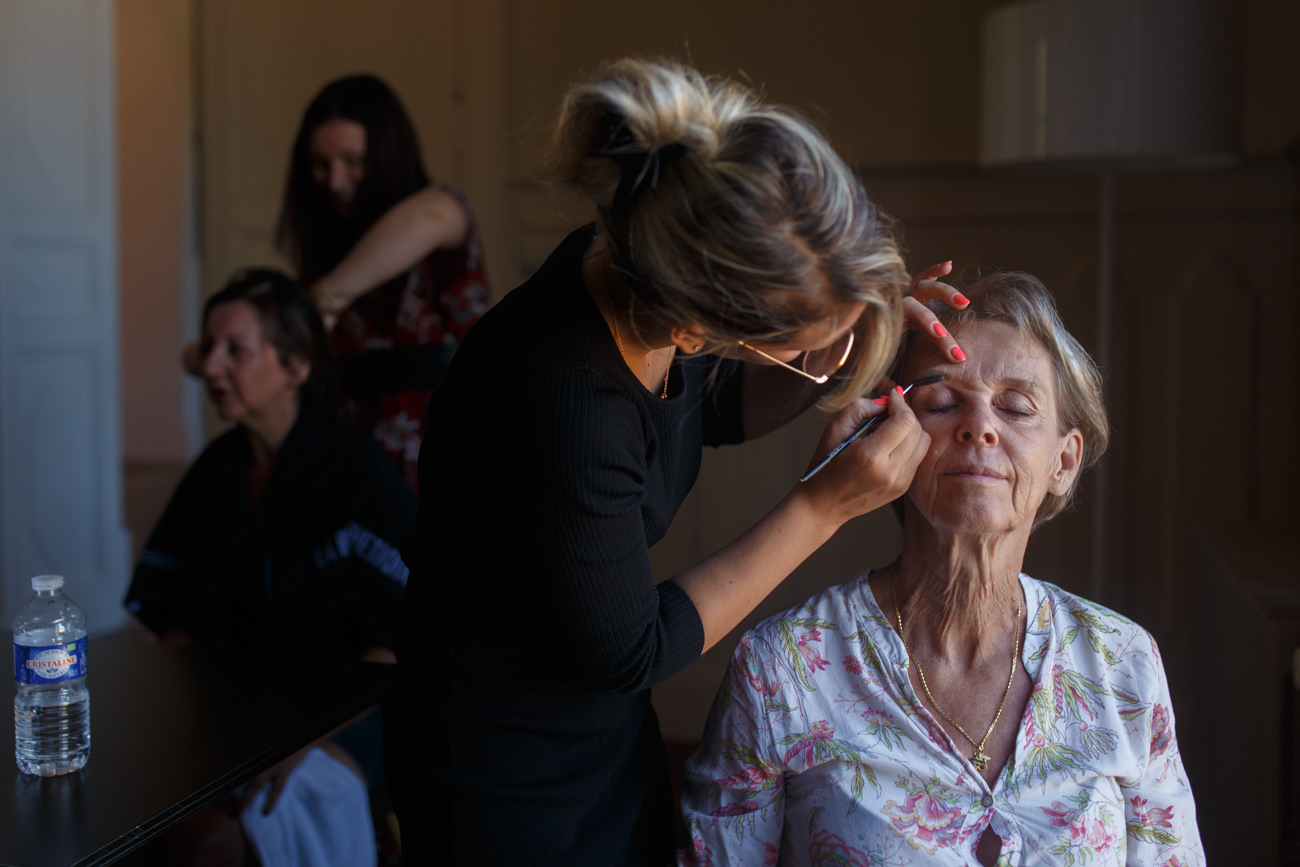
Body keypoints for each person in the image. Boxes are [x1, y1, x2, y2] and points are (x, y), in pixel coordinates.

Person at [383, 56, 969, 866]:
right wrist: (823, 505)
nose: (830, 360)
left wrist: (861, 333)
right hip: (502, 771)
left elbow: (719, 406)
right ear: (699, 332)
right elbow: (633, 645)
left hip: (603, 740)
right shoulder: (565, 400)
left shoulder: (640, 261)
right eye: (811, 350)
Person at [681, 271, 1204, 866]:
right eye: (940, 400)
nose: (979, 426)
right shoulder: (782, 670)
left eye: (1016, 406)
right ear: (883, 437)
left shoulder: (1123, 662)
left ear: (1063, 461)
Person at [125, 268, 417, 867]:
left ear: (297, 365)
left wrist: (302, 738)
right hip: (234, 714)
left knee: (218, 840)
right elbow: (174, 617)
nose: (210, 369)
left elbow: (404, 640)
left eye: (236, 351)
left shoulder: (354, 473)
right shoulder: (217, 471)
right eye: (209, 349)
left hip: (354, 713)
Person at [274, 73, 491, 490]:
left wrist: (320, 302)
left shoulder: (439, 207)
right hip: (353, 437)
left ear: (389, 153)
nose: (335, 181)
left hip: (442, 439)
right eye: (321, 165)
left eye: (353, 160)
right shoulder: (330, 237)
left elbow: (429, 217)